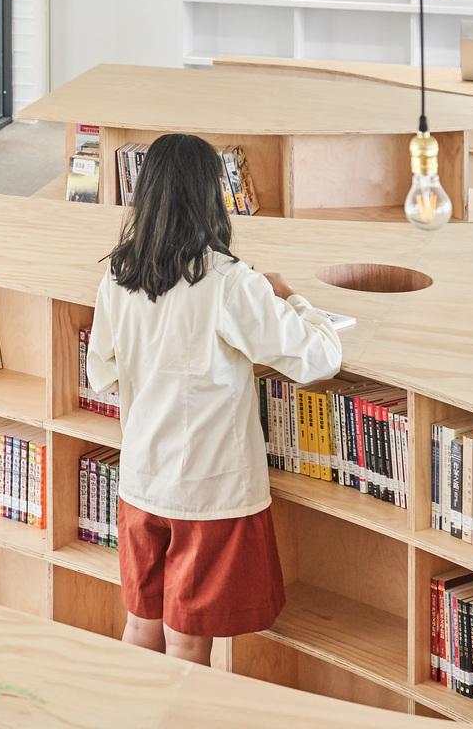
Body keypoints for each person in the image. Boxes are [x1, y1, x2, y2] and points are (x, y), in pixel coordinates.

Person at [85, 133, 341, 665]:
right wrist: (291, 296)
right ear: (212, 195)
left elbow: (101, 372)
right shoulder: (230, 281)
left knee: (141, 626)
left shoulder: (118, 272)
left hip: (141, 481)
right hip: (209, 492)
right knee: (187, 642)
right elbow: (318, 358)